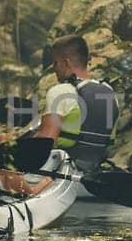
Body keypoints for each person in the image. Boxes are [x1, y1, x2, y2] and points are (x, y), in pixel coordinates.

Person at [35, 34, 118, 171]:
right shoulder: (109, 92)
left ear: (66, 63)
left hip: (63, 171)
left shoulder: (60, 92)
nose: (54, 68)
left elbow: (44, 145)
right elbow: (109, 147)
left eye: (56, 63)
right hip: (94, 171)